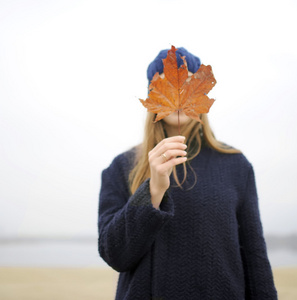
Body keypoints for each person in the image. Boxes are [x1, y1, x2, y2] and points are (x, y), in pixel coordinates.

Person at [98, 47, 278, 299]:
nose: (179, 95)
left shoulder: (235, 165)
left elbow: (255, 256)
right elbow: (114, 254)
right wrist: (153, 190)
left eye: (189, 85)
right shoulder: (121, 167)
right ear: (152, 96)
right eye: (167, 85)